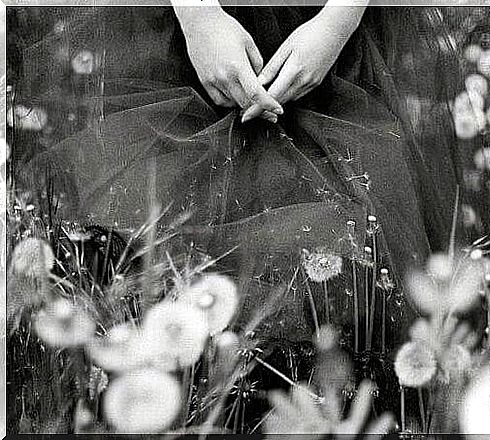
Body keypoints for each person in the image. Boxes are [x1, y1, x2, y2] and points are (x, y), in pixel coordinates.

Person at [16, 3, 463, 370]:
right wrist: (200, 18)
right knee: (151, 270)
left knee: (350, 296)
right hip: (183, 37)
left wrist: (337, 23)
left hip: (332, 36)